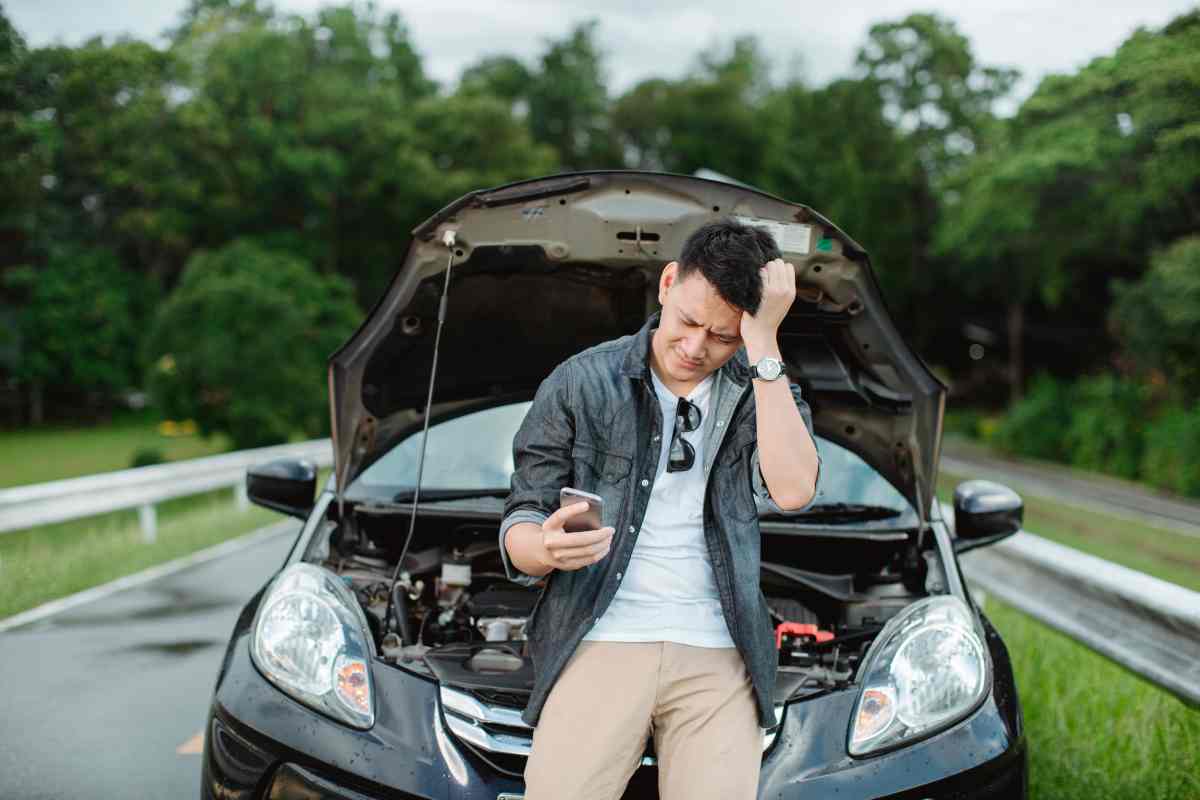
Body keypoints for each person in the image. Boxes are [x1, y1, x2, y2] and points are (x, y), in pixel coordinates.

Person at [498, 218, 822, 800]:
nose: (696, 348)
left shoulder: (760, 386)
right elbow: (522, 518)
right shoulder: (581, 381)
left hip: (719, 646)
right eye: (689, 322)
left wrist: (764, 347)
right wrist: (545, 548)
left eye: (723, 338)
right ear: (667, 283)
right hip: (601, 635)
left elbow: (794, 490)